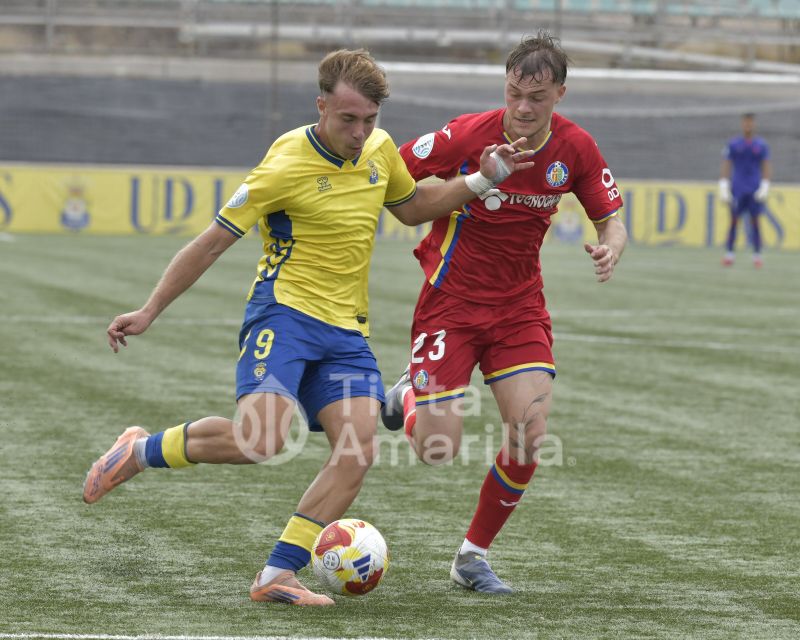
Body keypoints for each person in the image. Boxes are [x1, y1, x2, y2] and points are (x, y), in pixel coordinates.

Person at [82, 49, 535, 606]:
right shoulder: (285, 163)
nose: (360, 131)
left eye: (369, 120)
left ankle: (277, 574)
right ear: (320, 106)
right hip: (283, 316)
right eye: (348, 119)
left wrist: (478, 180)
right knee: (260, 440)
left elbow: (414, 205)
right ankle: (141, 450)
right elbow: (212, 242)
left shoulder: (378, 150)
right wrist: (150, 310)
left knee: (357, 450)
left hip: (345, 334)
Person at [381, 31, 627, 594]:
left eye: (536, 98)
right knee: (437, 448)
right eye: (514, 92)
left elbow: (610, 217)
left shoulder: (576, 149)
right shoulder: (469, 133)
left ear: (559, 95)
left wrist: (611, 245)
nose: (521, 107)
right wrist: (458, 187)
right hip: (451, 303)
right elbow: (395, 175)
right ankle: (407, 395)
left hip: (519, 309)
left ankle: (472, 556)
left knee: (531, 430)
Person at [718, 112, 771, 268]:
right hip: (738, 188)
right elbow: (726, 163)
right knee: (734, 221)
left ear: (754, 124)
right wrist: (723, 184)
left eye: (750, 123)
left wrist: (765, 184)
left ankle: (757, 255)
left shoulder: (761, 145)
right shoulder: (733, 144)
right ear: (742, 124)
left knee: (755, 221)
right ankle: (729, 254)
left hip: (754, 188)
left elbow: (766, 164)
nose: (748, 125)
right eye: (745, 122)